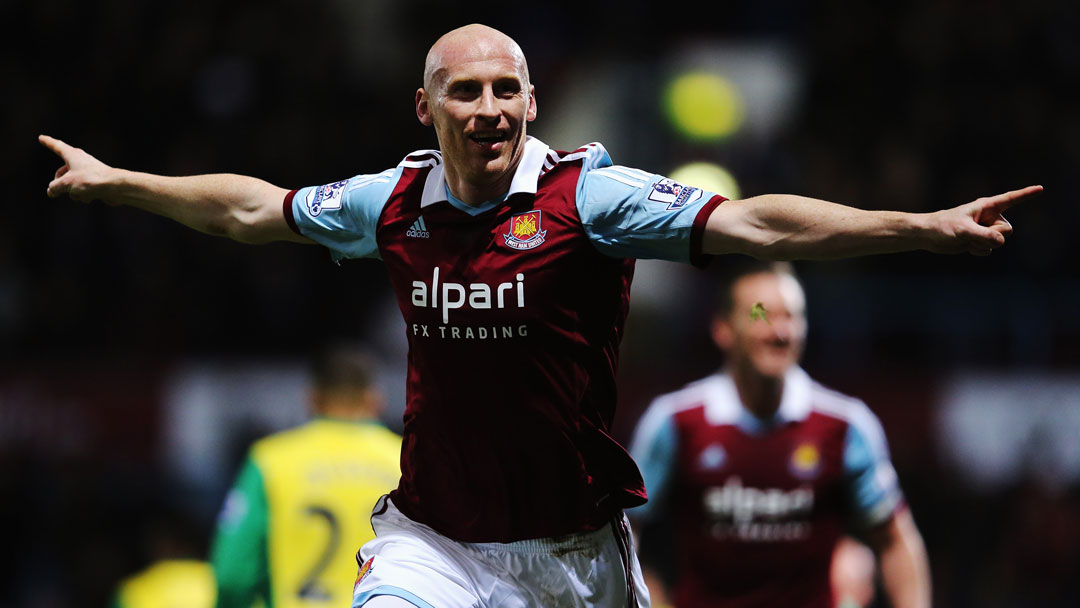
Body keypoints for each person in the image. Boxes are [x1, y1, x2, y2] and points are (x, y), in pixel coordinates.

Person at [40, 22, 1035, 608]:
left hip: (574, 552)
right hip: (435, 540)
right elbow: (253, 207)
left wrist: (916, 224)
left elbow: (757, 220)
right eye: (464, 92)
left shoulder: (587, 199)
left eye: (505, 88)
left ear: (528, 98)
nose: (489, 108)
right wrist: (121, 181)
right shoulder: (389, 201)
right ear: (424, 109)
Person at [628, 261, 932, 608]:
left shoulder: (844, 425)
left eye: (792, 316)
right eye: (761, 315)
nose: (779, 331)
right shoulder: (675, 422)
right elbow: (625, 534)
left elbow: (895, 541)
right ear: (723, 328)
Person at [210, 346, 401, 608]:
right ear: (374, 399)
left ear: (312, 398)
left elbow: (232, 575)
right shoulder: (406, 463)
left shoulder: (269, 461)